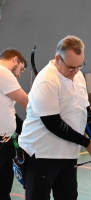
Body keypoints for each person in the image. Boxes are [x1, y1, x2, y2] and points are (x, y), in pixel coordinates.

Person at [18, 35, 91, 200]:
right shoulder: (47, 80)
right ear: (57, 58)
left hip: (68, 154)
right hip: (42, 155)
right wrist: (86, 143)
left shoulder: (77, 75)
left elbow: (85, 108)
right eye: (71, 67)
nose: (75, 71)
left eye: (79, 66)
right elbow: (53, 123)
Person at [0, 48, 28, 200]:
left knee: (4, 189)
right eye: (21, 70)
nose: (18, 75)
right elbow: (27, 103)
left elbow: (12, 115)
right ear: (15, 59)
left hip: (6, 140)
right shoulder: (3, 71)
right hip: (1, 140)